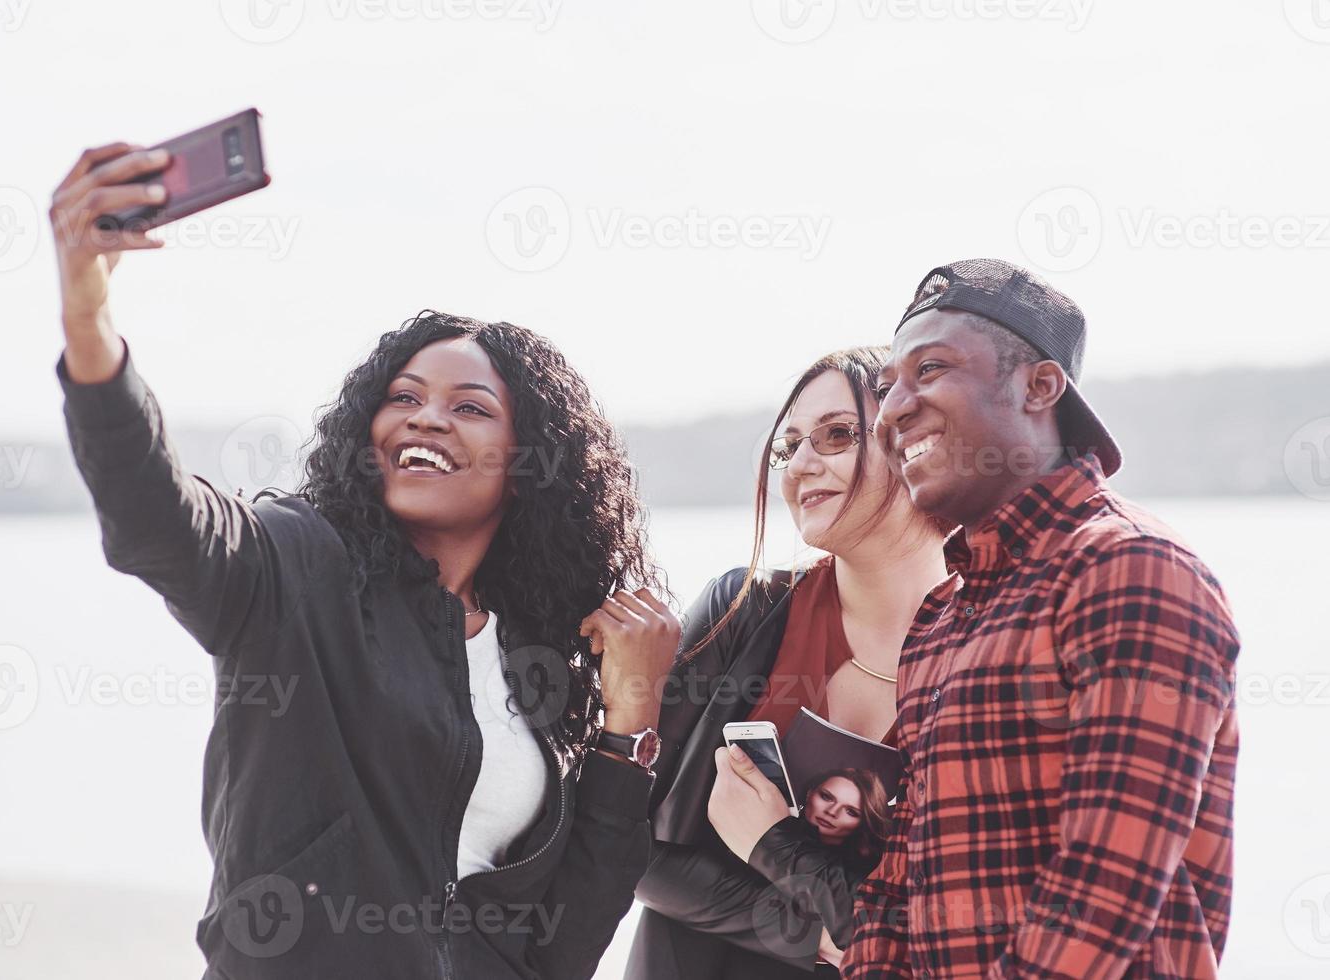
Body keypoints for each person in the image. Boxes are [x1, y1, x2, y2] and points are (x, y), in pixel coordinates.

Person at [48, 142, 682, 979]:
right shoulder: (296, 568)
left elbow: (563, 947)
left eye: (469, 407)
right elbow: (156, 518)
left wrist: (630, 719)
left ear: (532, 462)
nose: (425, 420)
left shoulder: (540, 657)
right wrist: (88, 322)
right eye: (404, 398)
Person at [843, 259, 1240, 978]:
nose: (891, 411)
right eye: (886, 386)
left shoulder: (1129, 571)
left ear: (1039, 386)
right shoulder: (941, 617)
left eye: (929, 369)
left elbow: (1105, 887)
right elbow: (895, 884)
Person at [624, 347, 951, 979]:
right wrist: (806, 932)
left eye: (835, 435)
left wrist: (774, 846)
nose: (800, 465)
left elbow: (951, 932)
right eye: (788, 445)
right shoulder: (744, 611)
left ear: (916, 445)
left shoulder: (990, 651)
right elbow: (623, 839)